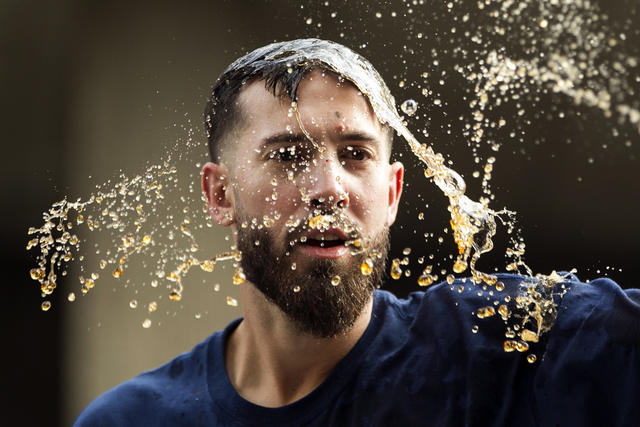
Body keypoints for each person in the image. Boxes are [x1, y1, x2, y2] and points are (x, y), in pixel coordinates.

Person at [74, 39, 640, 427]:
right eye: (290, 155)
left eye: (355, 155)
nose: (330, 187)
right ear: (220, 195)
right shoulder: (132, 419)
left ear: (391, 194)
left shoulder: (507, 355)